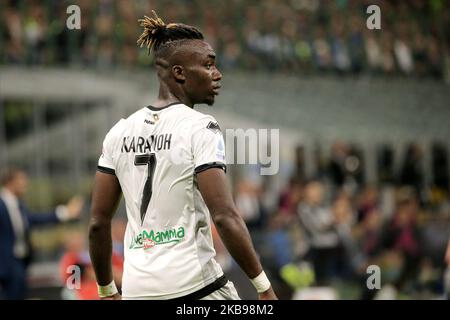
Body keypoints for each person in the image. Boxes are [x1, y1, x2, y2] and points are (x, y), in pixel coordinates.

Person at [88, 11, 277, 300]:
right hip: (195, 286)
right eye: (209, 65)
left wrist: (106, 289)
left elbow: (98, 223)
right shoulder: (199, 127)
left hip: (138, 291)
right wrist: (263, 287)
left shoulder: (119, 133)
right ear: (179, 73)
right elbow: (225, 216)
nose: (217, 73)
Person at [0, 168, 83, 299]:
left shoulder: (18, 206)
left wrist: (66, 212)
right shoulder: (2, 205)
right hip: (5, 266)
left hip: (19, 264)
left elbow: (36, 218)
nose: (25, 183)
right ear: (10, 182)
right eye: (21, 180)